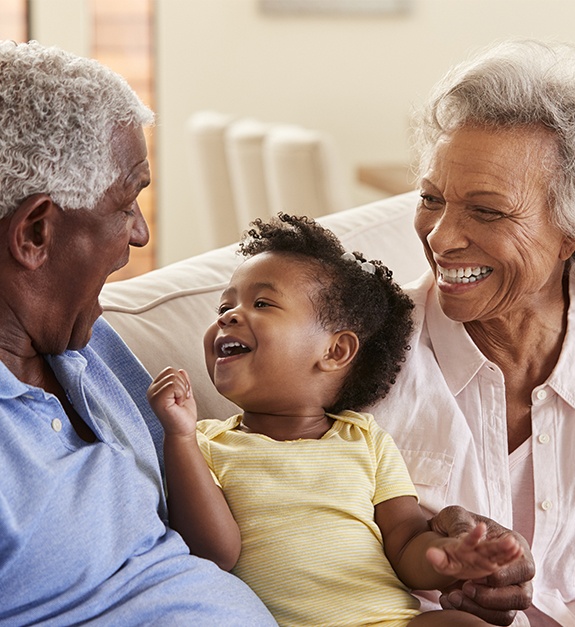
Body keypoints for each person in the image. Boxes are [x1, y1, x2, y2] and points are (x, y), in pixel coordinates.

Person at [0, 40, 278, 625]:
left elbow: (202, 530)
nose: (141, 234)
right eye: (127, 202)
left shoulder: (85, 343)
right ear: (35, 233)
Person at [148, 213, 525, 627]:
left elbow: (406, 543)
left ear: (336, 351)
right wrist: (179, 437)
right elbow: (215, 553)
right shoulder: (206, 444)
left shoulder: (365, 439)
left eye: (261, 303)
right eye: (225, 305)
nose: (227, 316)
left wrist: (448, 561)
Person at [367, 39, 575, 627]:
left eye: (485, 211)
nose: (440, 238)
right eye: (431, 200)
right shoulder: (353, 361)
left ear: (569, 234)